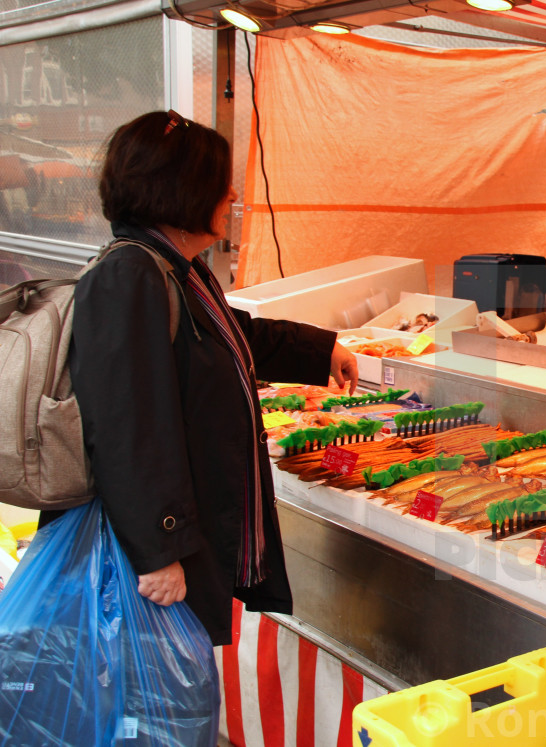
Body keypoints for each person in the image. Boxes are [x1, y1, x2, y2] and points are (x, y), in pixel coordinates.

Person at [67, 110, 359, 646]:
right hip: (152, 554)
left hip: (187, 530)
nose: (231, 196)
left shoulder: (179, 267)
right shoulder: (129, 274)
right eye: (220, 184)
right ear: (185, 190)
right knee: (155, 708)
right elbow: (126, 429)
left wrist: (321, 350)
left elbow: (231, 335)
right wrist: (160, 553)